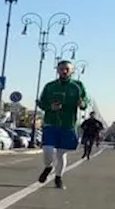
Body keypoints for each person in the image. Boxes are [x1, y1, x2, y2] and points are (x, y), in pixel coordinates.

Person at [37, 60, 88, 189]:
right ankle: (48, 167)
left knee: (61, 154)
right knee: (47, 150)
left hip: (68, 124)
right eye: (61, 69)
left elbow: (85, 103)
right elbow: (41, 103)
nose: (64, 71)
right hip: (50, 123)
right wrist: (50, 106)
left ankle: (58, 178)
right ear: (57, 70)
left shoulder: (77, 86)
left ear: (72, 71)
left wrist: (82, 104)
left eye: (67, 69)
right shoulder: (50, 86)